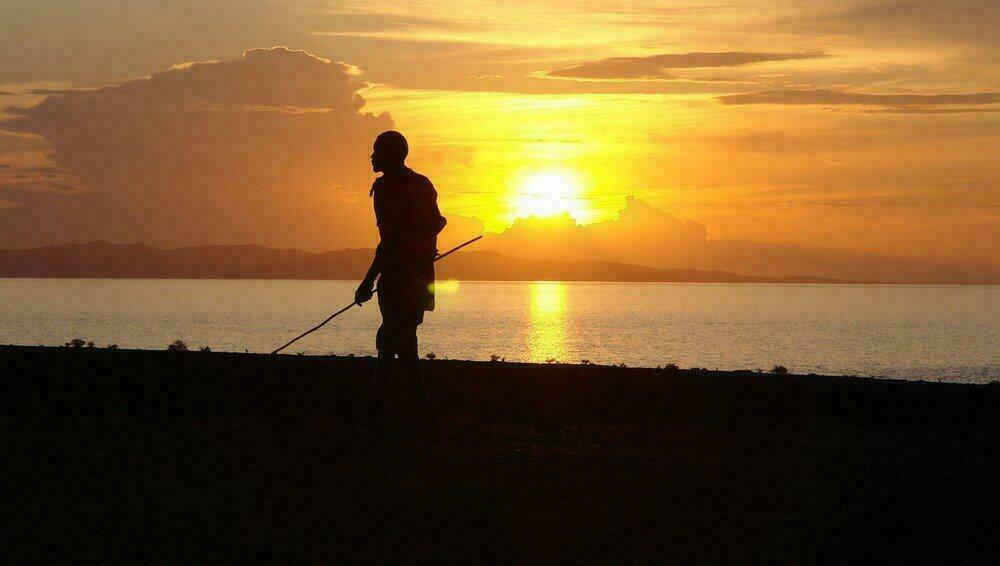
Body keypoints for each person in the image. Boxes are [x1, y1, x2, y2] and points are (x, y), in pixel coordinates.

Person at [355, 131, 446, 431]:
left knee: (392, 339)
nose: (371, 156)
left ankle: (379, 410)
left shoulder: (385, 188)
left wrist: (368, 280)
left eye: (376, 150)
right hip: (417, 277)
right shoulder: (422, 185)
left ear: (389, 155)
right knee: (403, 343)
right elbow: (438, 222)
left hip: (401, 279)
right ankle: (418, 412)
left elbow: (389, 240)